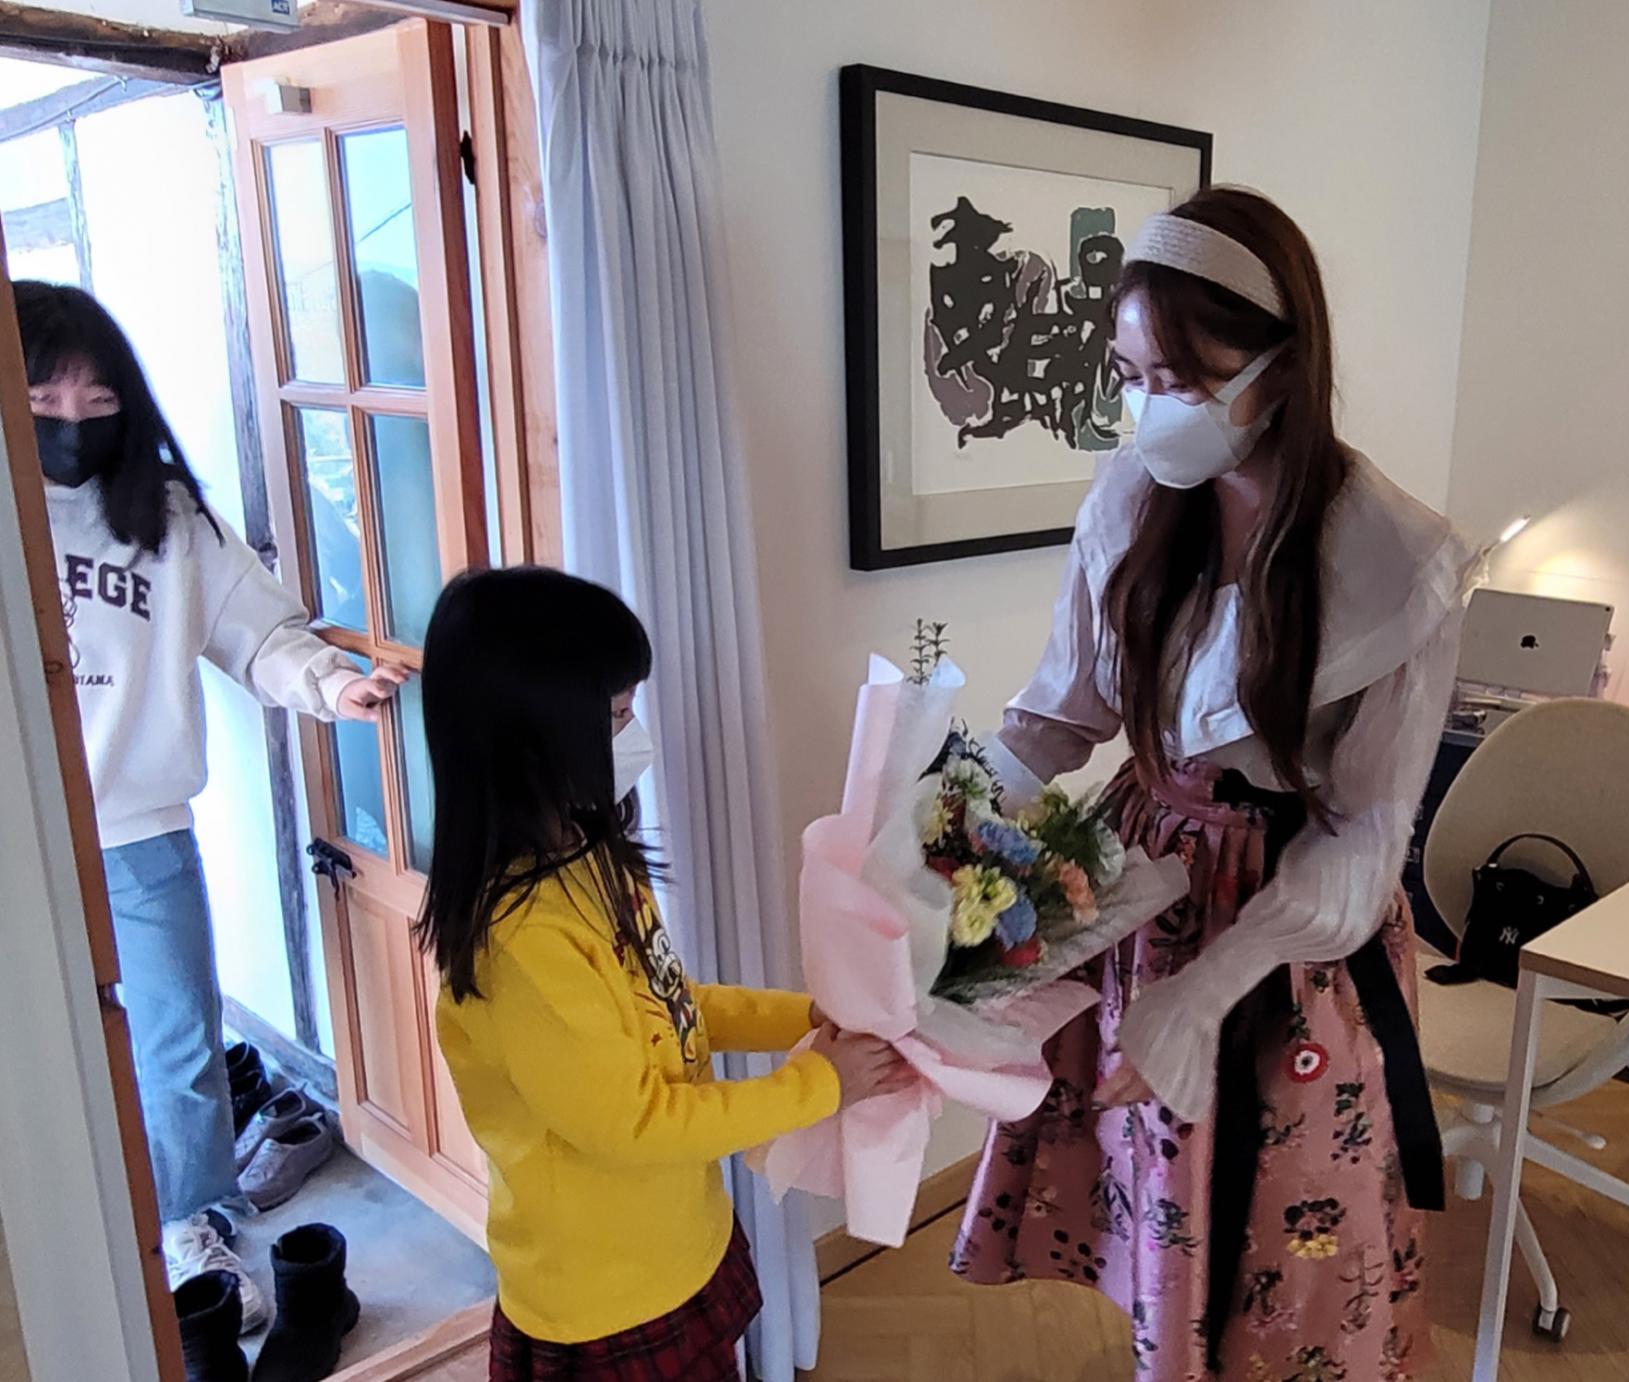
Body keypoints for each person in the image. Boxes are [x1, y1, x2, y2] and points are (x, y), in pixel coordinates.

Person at [949, 189, 1472, 1380]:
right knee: (1154, 1204)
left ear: (1281, 369)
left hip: (1290, 931)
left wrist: (1211, 988)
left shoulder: (1394, 561)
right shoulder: (1132, 500)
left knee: (1281, 1246)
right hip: (1142, 888)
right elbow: (1059, 713)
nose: (1150, 407)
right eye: (1131, 375)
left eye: (1181, 379)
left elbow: (1365, 831)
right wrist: (939, 830)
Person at [16, 282, 404, 1329]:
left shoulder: (167, 515)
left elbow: (257, 633)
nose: (71, 419)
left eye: (98, 400)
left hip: (140, 832)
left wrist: (333, 685)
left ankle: (193, 1225)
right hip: (20, 836)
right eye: (44, 397)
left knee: (179, 1049)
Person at [417, 566, 909, 1382]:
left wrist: (807, 1015)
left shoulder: (589, 855)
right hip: (605, 1296)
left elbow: (676, 1001)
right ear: (534, 734)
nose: (636, 734)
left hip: (678, 1243)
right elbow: (635, 1123)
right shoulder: (523, 945)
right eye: (616, 716)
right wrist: (822, 1083)